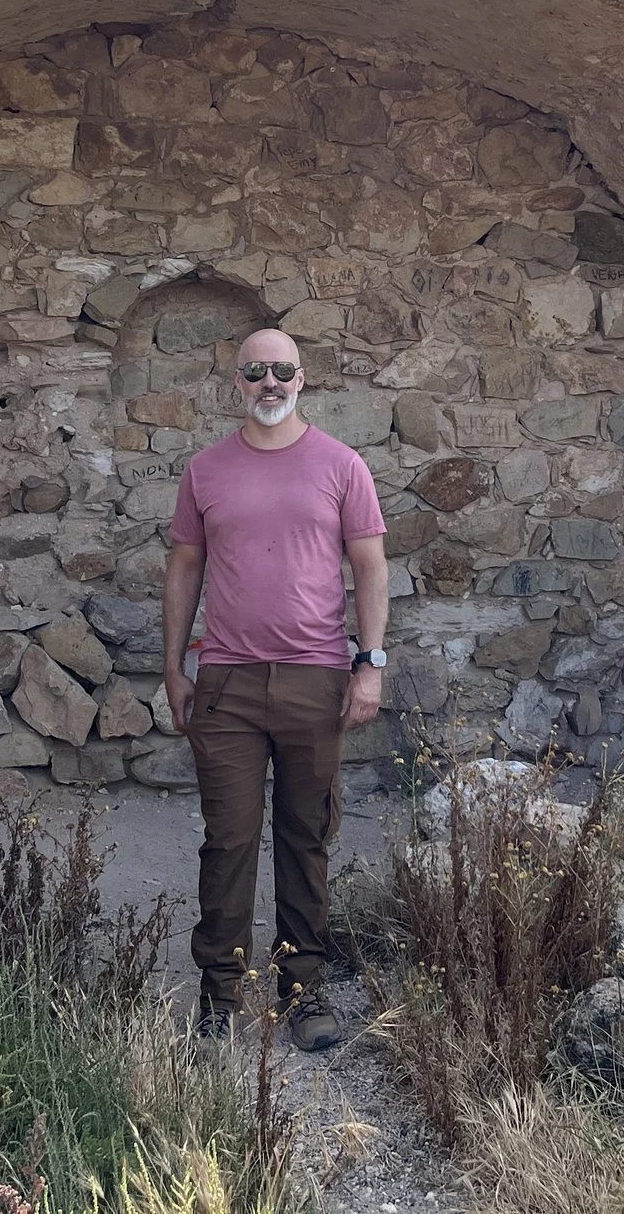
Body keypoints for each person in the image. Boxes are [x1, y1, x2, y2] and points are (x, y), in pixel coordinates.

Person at [161, 326, 389, 1050]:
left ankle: (303, 989)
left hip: (315, 677)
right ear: (237, 381)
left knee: (304, 836)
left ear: (301, 378)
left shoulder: (341, 465)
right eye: (256, 370)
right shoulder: (205, 470)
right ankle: (220, 991)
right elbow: (184, 568)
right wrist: (173, 665)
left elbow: (370, 566)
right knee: (228, 839)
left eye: (282, 370)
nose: (270, 382)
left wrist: (370, 663)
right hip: (226, 681)